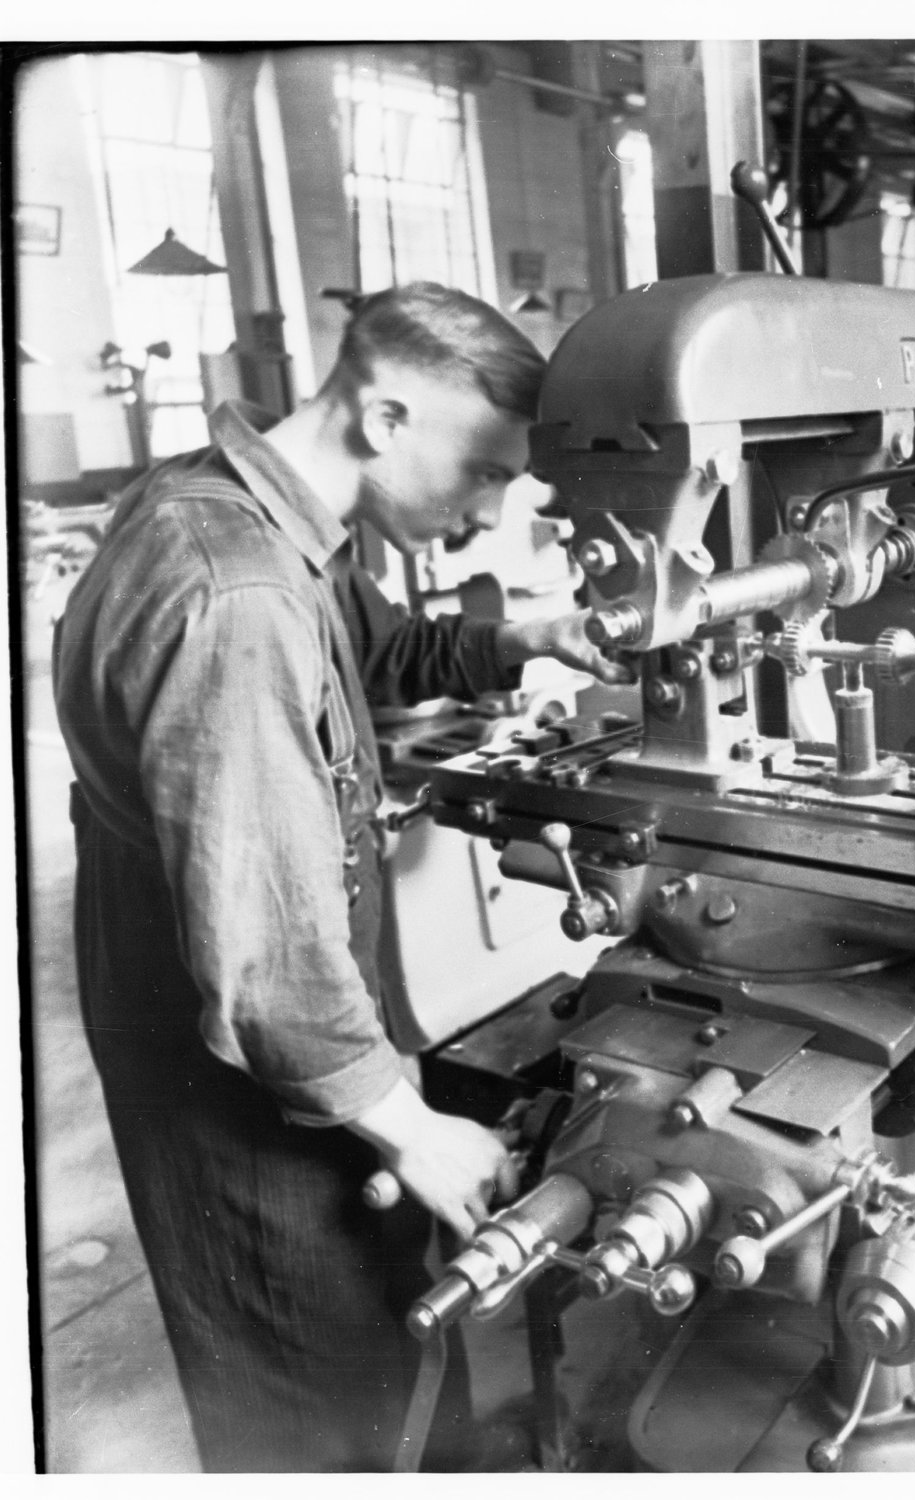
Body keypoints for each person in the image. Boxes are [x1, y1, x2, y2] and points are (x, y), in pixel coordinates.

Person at [54, 283, 628, 1470]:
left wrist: (525, 635)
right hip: (228, 1070)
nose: (484, 516)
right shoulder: (238, 593)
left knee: (377, 1347)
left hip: (246, 1017)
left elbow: (377, 651)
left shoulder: (255, 516)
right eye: (479, 474)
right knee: (315, 1398)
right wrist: (410, 1127)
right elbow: (263, 960)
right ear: (385, 416)